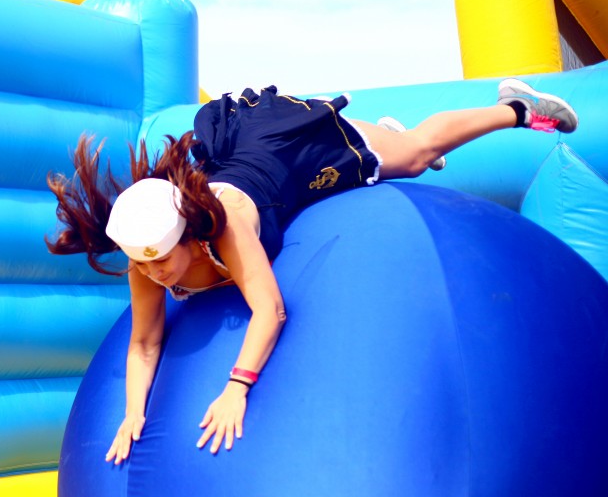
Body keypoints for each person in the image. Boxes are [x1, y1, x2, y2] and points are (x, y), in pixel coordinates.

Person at [45, 78, 578, 464]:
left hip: (287, 157)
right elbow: (143, 344)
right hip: (246, 161)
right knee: (395, 156)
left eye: (162, 260)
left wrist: (237, 387)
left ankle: (516, 108)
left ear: (189, 232)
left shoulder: (225, 225)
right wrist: (133, 411)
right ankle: (382, 148)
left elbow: (270, 309)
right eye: (145, 263)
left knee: (416, 154)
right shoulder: (147, 254)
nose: (155, 273)